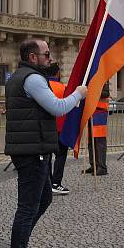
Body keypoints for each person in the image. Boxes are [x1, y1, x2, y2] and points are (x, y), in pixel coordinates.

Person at [5, 39, 87, 248]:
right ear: (33, 57)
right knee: (28, 206)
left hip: (32, 147)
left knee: (44, 198)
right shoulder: (33, 79)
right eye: (46, 54)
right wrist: (78, 94)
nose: (50, 58)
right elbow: (57, 107)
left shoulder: (21, 76)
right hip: (32, 150)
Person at [47, 66, 71, 195]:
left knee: (47, 156)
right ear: (58, 73)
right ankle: (56, 182)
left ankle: (47, 182)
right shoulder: (63, 88)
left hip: (46, 128)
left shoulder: (43, 86)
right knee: (61, 155)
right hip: (60, 127)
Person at [84, 82, 110, 176]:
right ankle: (94, 165)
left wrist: (93, 91)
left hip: (100, 113)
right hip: (92, 112)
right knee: (91, 141)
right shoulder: (90, 80)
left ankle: (102, 167)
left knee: (100, 142)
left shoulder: (102, 79)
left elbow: (106, 93)